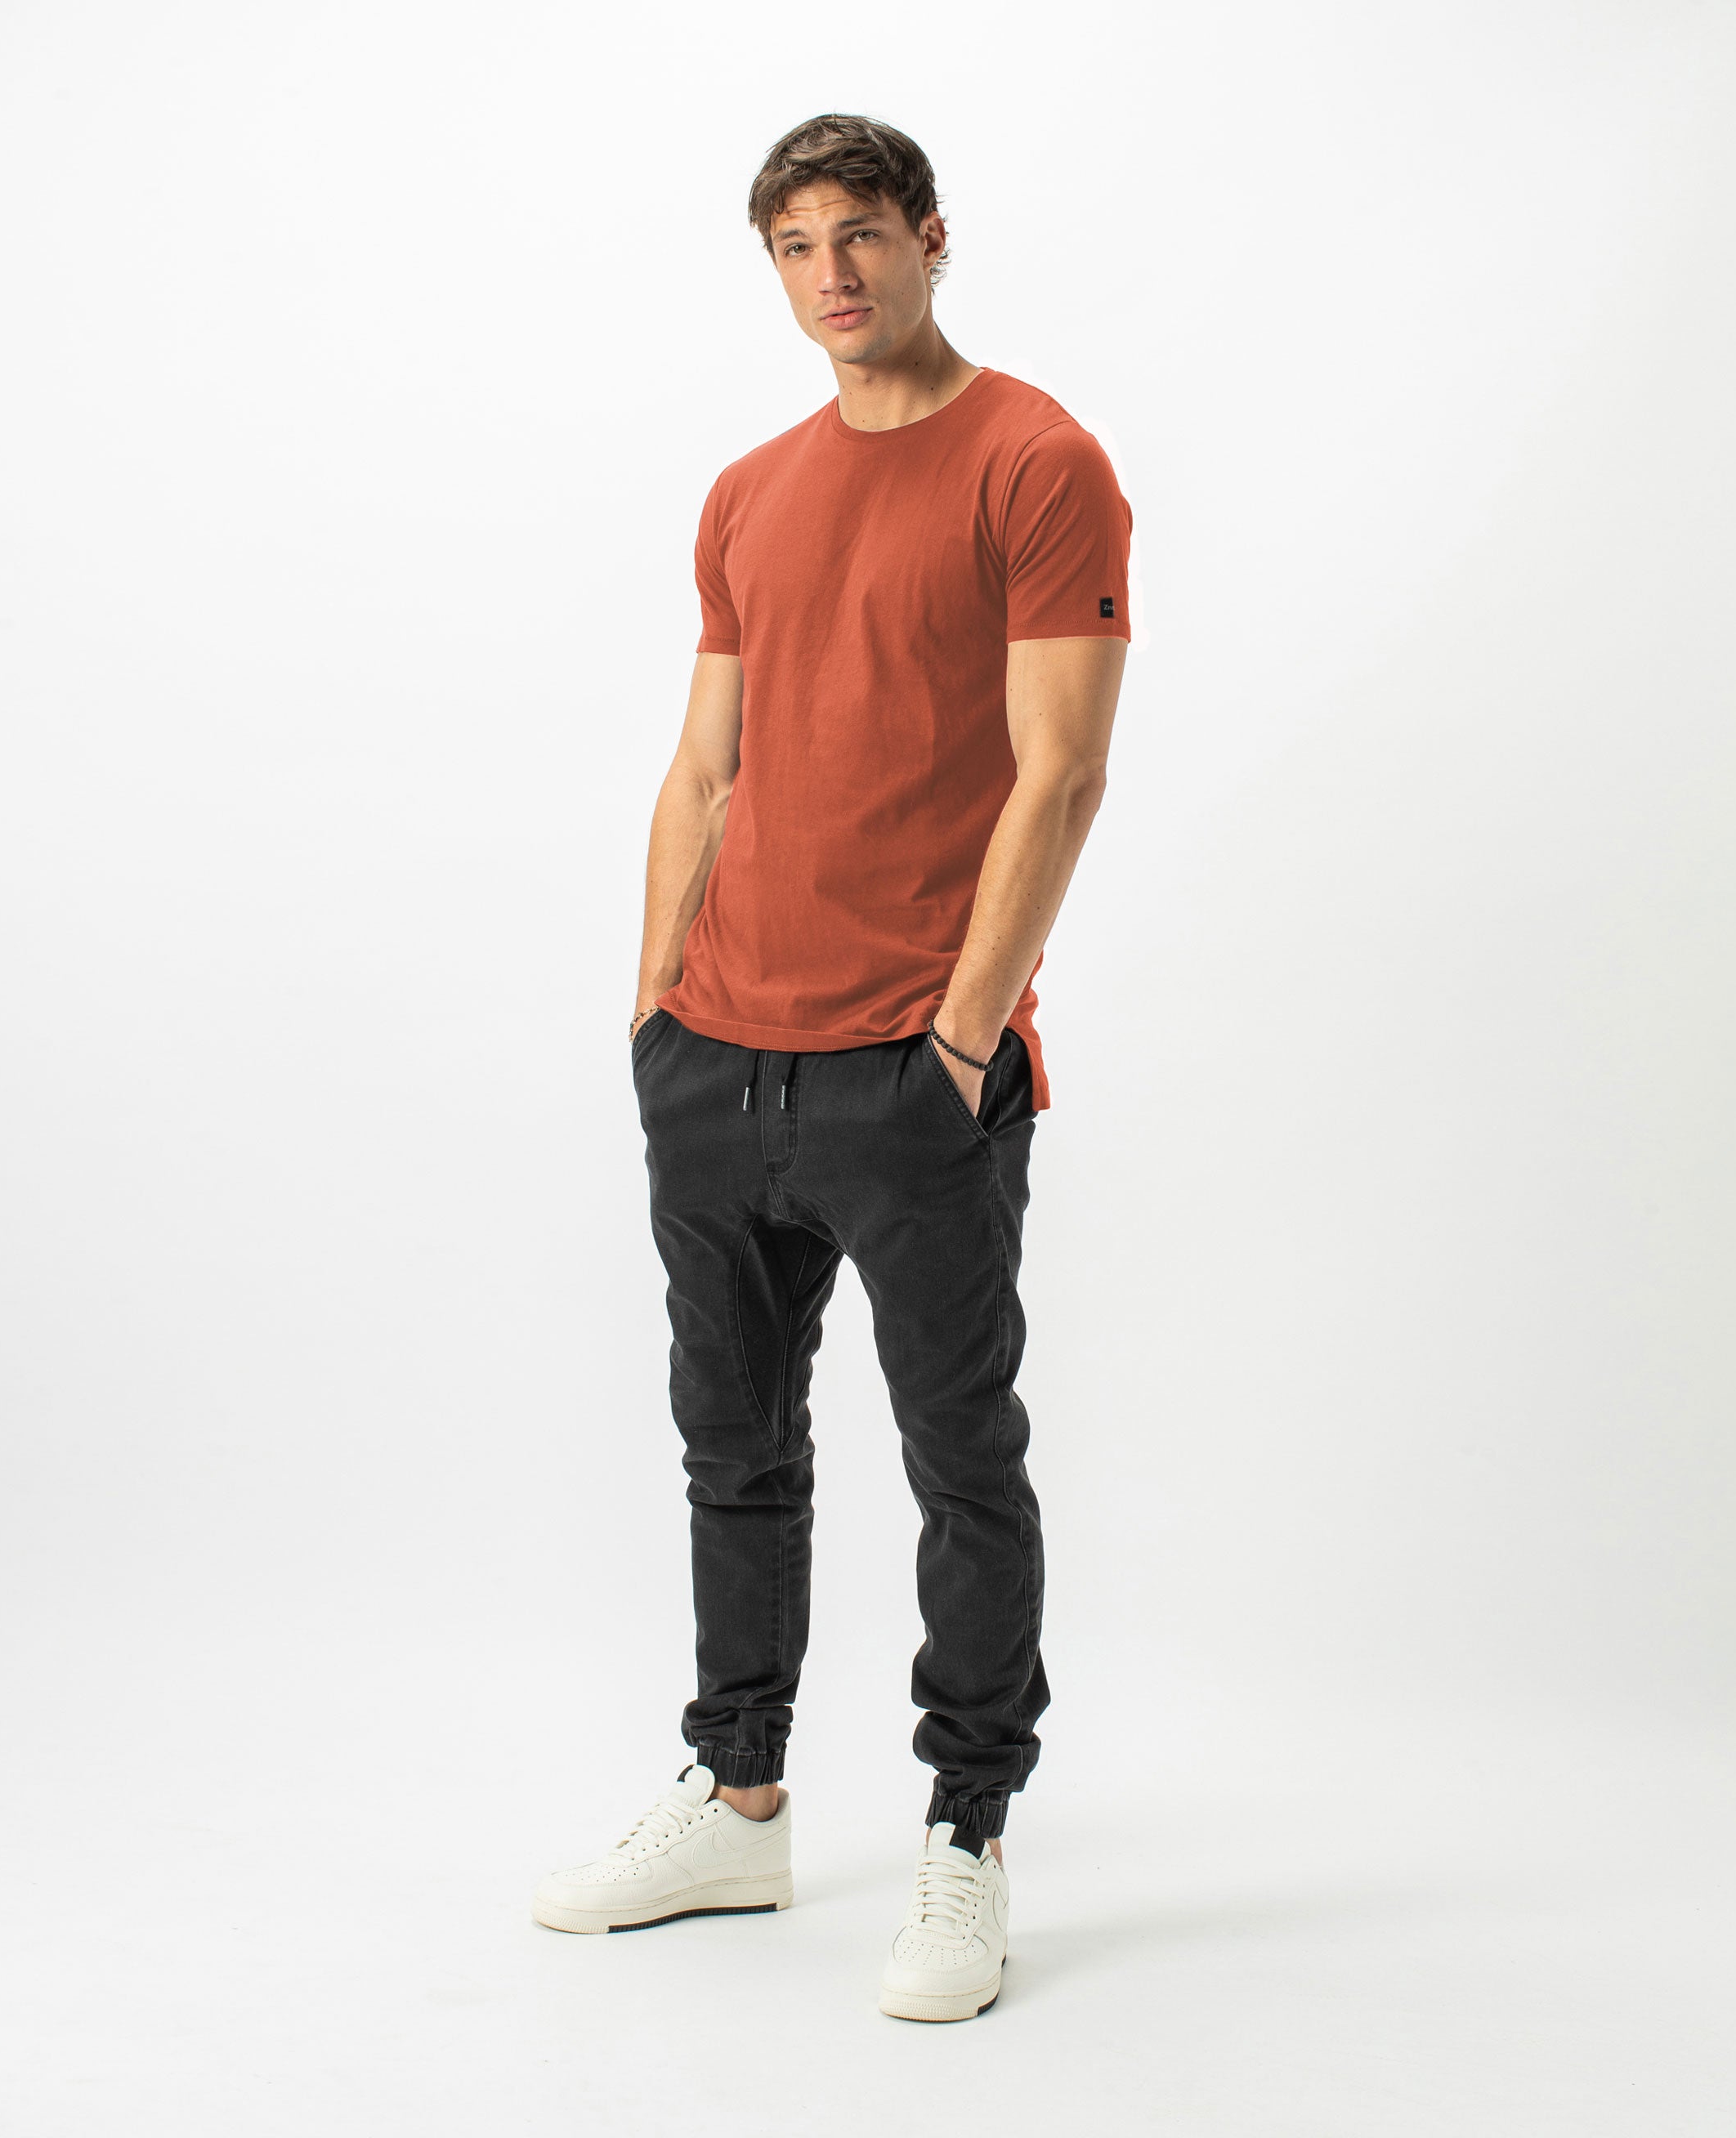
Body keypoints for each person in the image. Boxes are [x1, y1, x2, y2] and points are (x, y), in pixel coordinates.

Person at [534, 112, 1131, 2024]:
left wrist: (960, 1035)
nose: (831, 274)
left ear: (930, 238)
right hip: (717, 1059)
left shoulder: (1035, 460)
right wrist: (656, 1007)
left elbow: (1061, 770)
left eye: (859, 233)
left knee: (961, 1461)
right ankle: (737, 1799)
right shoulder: (746, 493)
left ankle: (966, 1831)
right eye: (794, 245)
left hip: (908, 1070)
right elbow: (704, 764)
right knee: (733, 1452)